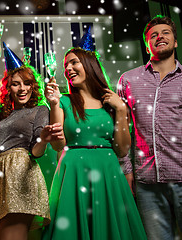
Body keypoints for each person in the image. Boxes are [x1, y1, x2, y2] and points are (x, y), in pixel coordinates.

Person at [43, 47, 147, 239]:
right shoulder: (64, 101)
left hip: (107, 171)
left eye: (74, 62)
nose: (68, 68)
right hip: (74, 171)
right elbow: (58, 145)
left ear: (90, 65)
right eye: (66, 65)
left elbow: (122, 150)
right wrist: (54, 104)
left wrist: (122, 110)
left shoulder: (112, 103)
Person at [0, 43, 63, 240]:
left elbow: (36, 152)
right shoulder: (2, 114)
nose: (22, 89)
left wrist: (43, 140)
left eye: (27, 83)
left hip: (21, 173)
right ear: (8, 87)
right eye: (16, 83)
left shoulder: (40, 110)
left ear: (33, 86)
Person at [117, 15, 182, 240]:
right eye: (153, 35)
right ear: (147, 45)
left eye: (165, 33)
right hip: (147, 183)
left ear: (175, 42)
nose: (159, 37)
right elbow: (121, 127)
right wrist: (127, 169)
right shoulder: (128, 80)